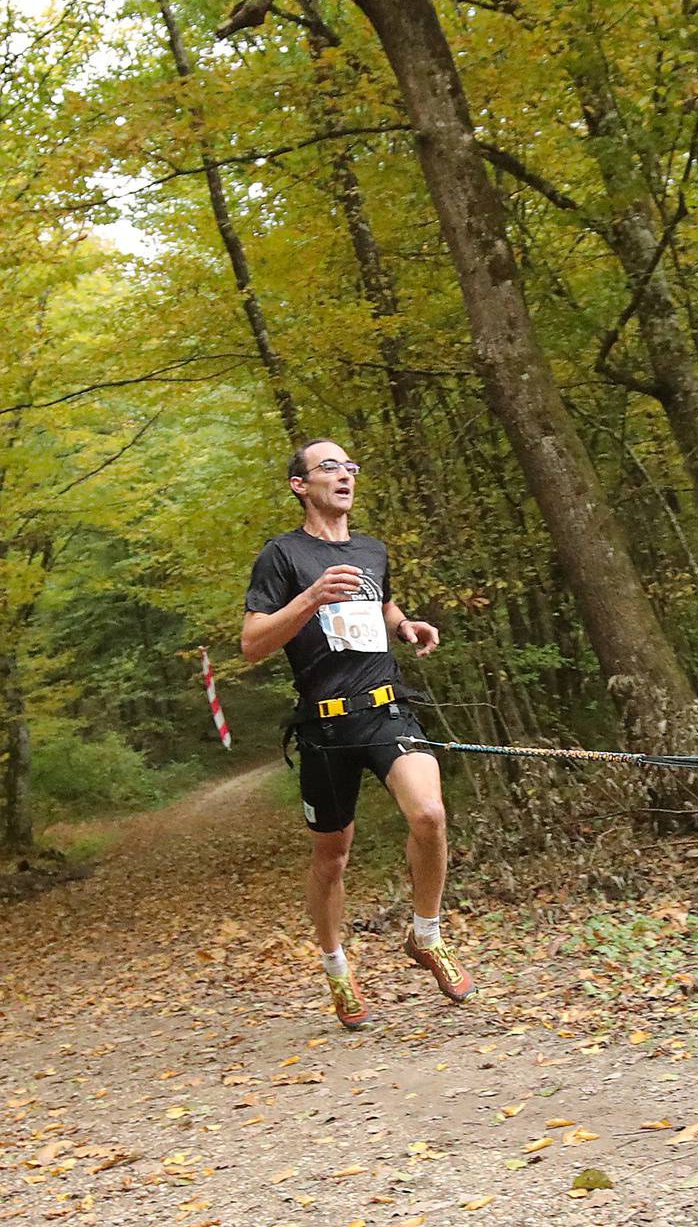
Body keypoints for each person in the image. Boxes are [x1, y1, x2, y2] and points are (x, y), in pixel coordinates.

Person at [242, 438, 475, 1028]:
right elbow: (252, 645)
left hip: (384, 708)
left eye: (350, 466)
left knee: (429, 813)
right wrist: (310, 598)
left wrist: (404, 626)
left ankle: (426, 935)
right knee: (332, 857)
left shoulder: (371, 549)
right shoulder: (281, 557)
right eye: (330, 467)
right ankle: (337, 969)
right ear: (301, 485)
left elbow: (382, 601)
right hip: (323, 724)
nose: (345, 475)